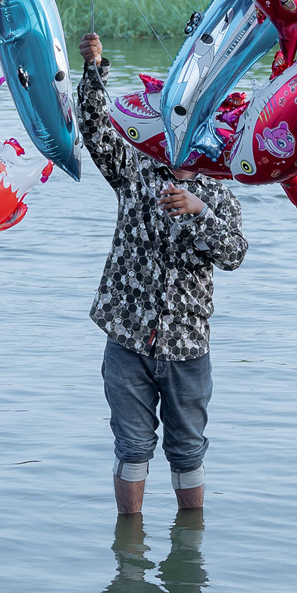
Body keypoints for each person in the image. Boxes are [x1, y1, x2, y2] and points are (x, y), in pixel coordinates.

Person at [77, 32, 248, 514]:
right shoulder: (135, 170)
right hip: (128, 340)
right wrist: (95, 69)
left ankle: (187, 562)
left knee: (188, 452)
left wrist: (198, 212)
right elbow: (96, 130)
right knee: (131, 450)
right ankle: (129, 564)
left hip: (187, 345)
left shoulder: (218, 193)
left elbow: (235, 254)